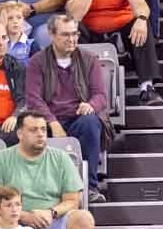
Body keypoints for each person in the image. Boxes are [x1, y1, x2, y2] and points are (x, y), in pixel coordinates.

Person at [65, 0, 163, 106]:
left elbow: (140, 4)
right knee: (72, 27)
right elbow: (75, 14)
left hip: (120, 24)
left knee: (141, 23)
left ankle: (147, 88)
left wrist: (141, 18)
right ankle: (81, 91)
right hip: (90, 26)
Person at [25, 13, 109, 201]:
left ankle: (90, 187)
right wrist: (52, 122)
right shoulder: (37, 62)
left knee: (90, 122)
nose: (72, 39)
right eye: (65, 35)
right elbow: (33, 99)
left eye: (74, 34)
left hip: (78, 118)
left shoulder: (89, 59)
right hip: (48, 120)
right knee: (29, 128)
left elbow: (101, 96)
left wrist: (91, 105)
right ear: (52, 35)